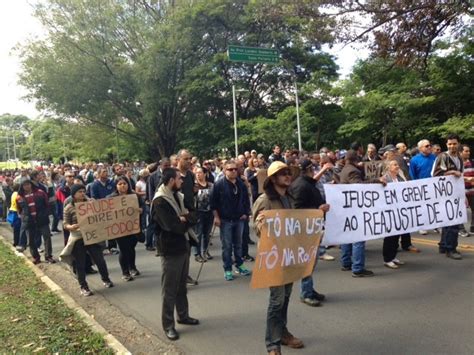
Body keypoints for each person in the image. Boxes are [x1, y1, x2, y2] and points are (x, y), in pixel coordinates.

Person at [253, 161, 304, 354]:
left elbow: (296, 223)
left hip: (288, 255)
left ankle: (282, 333)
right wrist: (262, 223)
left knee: (286, 298)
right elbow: (256, 228)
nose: (287, 176)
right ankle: (272, 344)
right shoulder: (264, 200)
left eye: (288, 172)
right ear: (273, 178)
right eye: (282, 173)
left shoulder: (290, 198)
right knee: (277, 300)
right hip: (273, 257)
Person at [152, 168, 199, 341]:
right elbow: (173, 227)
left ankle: (183, 316)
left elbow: (194, 214)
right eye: (179, 179)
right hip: (170, 250)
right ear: (171, 180)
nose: (182, 181)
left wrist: (185, 218)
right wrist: (186, 219)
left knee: (181, 287)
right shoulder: (160, 202)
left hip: (183, 245)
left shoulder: (178, 197)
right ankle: (168, 325)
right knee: (169, 289)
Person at [288, 159, 330, 307]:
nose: (315, 170)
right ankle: (306, 293)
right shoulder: (301, 186)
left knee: (312, 261)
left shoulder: (306, 183)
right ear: (309, 169)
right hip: (306, 230)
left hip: (312, 227)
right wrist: (319, 209)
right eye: (313, 168)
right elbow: (297, 210)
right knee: (308, 262)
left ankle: (309, 289)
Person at [61, 184, 114, 296]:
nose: (82, 193)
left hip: (92, 236)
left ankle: (106, 279)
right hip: (78, 238)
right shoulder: (68, 207)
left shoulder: (91, 203)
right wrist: (71, 227)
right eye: (79, 191)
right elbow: (65, 223)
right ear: (73, 194)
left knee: (100, 260)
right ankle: (84, 287)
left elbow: (100, 214)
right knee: (80, 263)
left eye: (83, 191)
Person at [339, 150, 385, 277]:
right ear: (355, 160)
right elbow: (359, 187)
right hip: (354, 208)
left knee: (347, 236)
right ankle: (358, 268)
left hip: (346, 207)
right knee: (358, 237)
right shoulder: (353, 171)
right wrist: (377, 181)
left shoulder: (345, 169)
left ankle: (346, 262)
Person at [210, 160, 252, 281]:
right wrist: (216, 217)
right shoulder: (218, 185)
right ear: (224, 170)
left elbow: (246, 199)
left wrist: (246, 213)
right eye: (230, 169)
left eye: (235, 169)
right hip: (225, 219)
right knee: (227, 245)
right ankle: (227, 268)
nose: (234, 171)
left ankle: (239, 265)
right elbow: (213, 203)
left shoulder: (241, 183)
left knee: (238, 244)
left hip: (239, 219)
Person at [432, 134, 464, 259]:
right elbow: (435, 174)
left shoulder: (459, 158)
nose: (452, 146)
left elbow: (460, 176)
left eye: (454, 143)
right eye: (450, 144)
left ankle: (444, 245)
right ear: (446, 144)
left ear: (458, 144)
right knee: (453, 221)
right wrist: (451, 172)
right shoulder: (443, 157)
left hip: (456, 193)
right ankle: (451, 249)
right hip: (445, 194)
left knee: (449, 221)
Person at [107, 176, 143, 281]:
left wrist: (140, 210)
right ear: (116, 186)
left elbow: (142, 207)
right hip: (119, 229)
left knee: (131, 248)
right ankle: (125, 272)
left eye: (124, 183)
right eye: (120, 184)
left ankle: (132, 267)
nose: (123, 186)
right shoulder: (111, 198)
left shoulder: (134, 195)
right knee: (123, 249)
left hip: (133, 227)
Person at [16, 180, 55, 264]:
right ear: (22, 187)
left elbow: (47, 204)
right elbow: (19, 209)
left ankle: (48, 256)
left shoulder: (40, 193)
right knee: (31, 241)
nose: (27, 186)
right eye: (24, 185)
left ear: (31, 184)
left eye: (28, 184)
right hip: (29, 222)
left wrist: (45, 214)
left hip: (42, 220)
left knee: (47, 237)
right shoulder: (19, 197)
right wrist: (24, 217)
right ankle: (36, 257)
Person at [382, 160, 407, 269]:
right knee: (389, 236)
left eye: (398, 164)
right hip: (389, 211)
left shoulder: (400, 178)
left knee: (397, 235)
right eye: (395, 165)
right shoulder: (384, 179)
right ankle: (387, 259)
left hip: (399, 210)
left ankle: (393, 256)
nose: (398, 166)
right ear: (388, 167)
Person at [409, 139, 437, 237]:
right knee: (422, 207)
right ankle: (422, 226)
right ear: (420, 148)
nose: (429, 147)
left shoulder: (434, 157)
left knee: (434, 206)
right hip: (420, 187)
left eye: (430, 145)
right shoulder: (414, 160)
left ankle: (435, 224)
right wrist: (416, 186)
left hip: (433, 186)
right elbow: (412, 174)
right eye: (427, 146)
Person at [193, 167, 214, 262]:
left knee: (207, 233)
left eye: (200, 172)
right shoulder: (194, 186)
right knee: (198, 234)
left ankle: (205, 251)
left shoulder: (211, 185)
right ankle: (197, 253)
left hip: (209, 212)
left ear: (204, 174)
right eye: (196, 173)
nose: (198, 174)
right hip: (198, 213)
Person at [461, 144, 474, 235]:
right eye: (466, 151)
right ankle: (461, 229)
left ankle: (473, 227)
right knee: (461, 210)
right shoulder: (457, 163)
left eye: (469, 151)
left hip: (472, 190)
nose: (468, 153)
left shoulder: (472, 162)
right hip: (461, 191)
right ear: (460, 152)